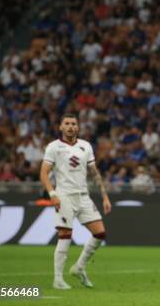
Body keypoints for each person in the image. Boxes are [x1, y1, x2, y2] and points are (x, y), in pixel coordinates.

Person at [40, 113, 112, 290]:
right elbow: (43, 173)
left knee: (100, 233)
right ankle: (58, 279)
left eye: (73, 123)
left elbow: (94, 172)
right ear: (61, 127)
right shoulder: (53, 147)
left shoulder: (85, 146)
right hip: (64, 196)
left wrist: (104, 196)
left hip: (83, 196)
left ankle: (79, 267)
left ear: (78, 127)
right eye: (67, 123)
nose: (71, 126)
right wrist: (52, 194)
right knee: (65, 235)